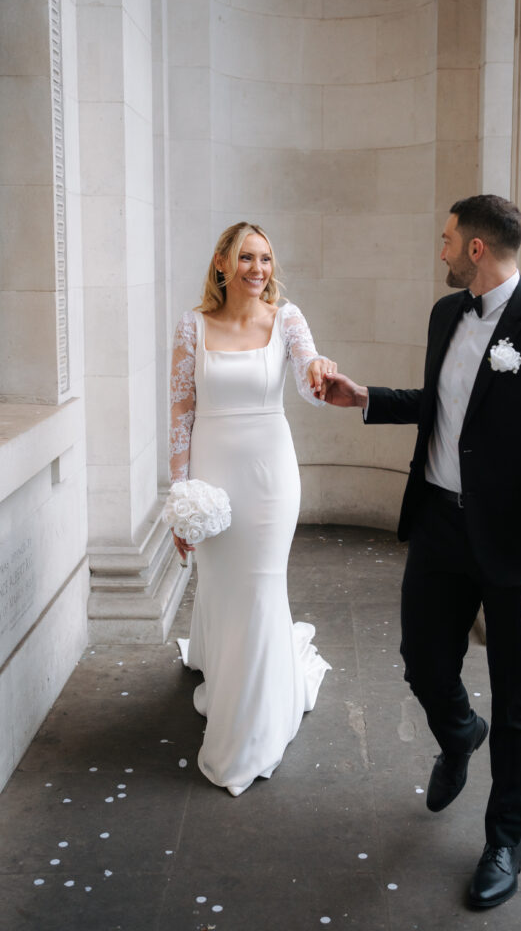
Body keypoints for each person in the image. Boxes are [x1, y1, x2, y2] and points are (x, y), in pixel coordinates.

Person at [321, 195, 521, 908]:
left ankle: (504, 838)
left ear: (475, 249)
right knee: (421, 659)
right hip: (441, 526)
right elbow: (448, 406)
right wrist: (367, 399)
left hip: (516, 548)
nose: (440, 250)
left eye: (446, 239)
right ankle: (456, 731)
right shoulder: (447, 315)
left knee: (518, 700)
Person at [169, 221, 333, 796]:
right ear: (221, 263)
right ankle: (230, 679)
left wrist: (320, 370)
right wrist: (180, 497)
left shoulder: (286, 318)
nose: (257, 268)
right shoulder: (193, 326)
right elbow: (181, 414)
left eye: (265, 258)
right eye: (245, 257)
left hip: (270, 476)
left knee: (262, 586)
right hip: (214, 476)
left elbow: (311, 381)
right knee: (221, 584)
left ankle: (250, 732)